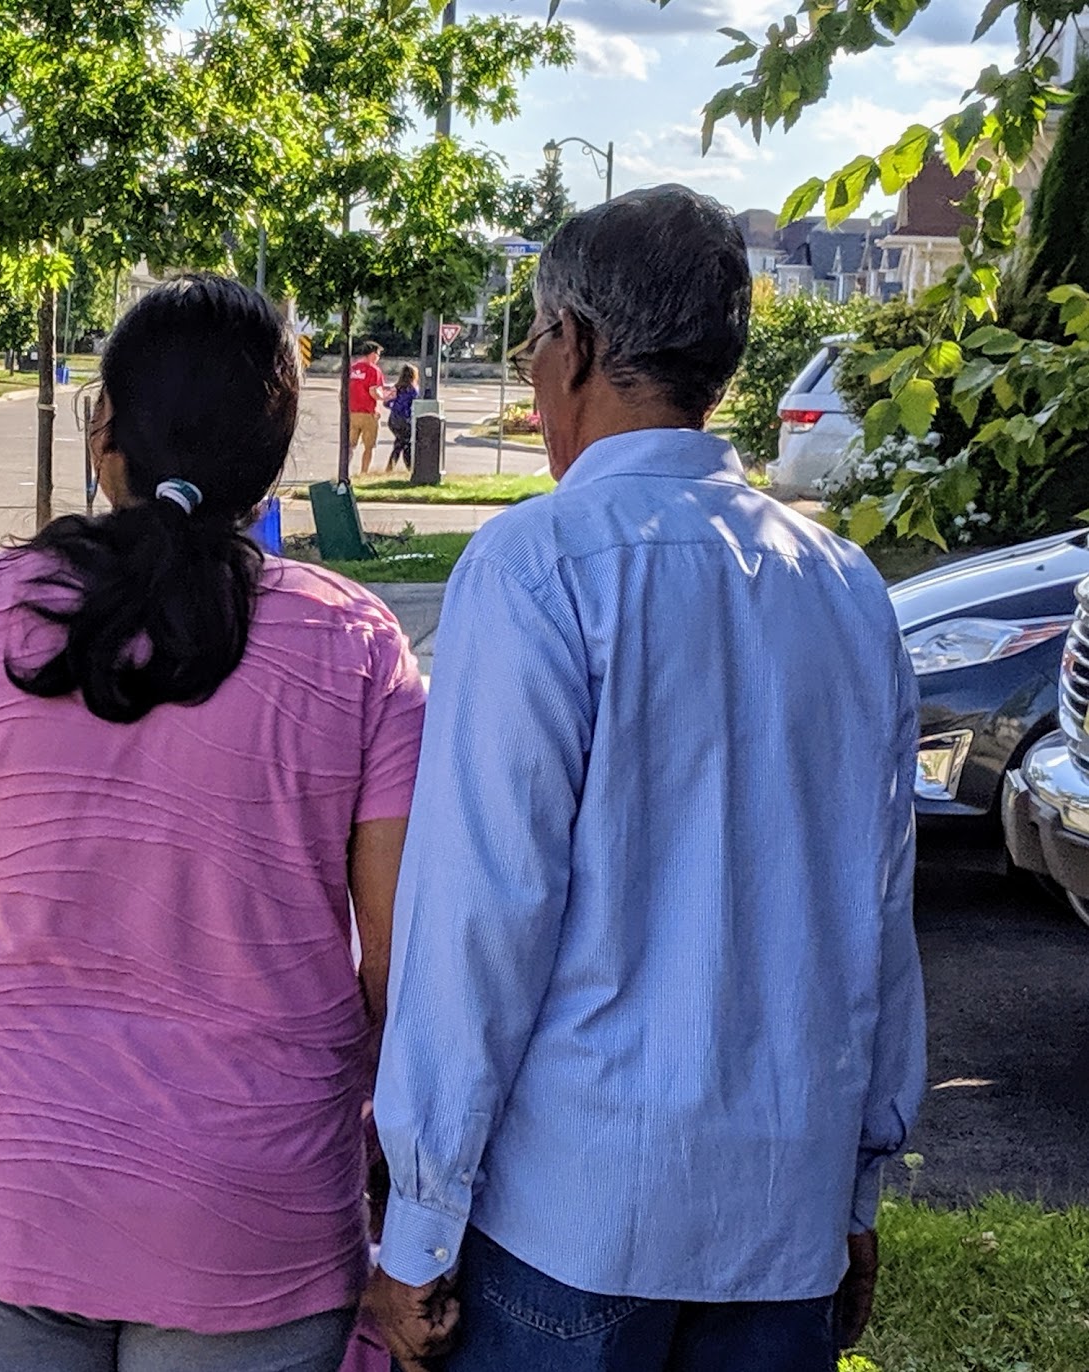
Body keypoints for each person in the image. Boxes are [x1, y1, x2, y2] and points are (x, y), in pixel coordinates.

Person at [0, 274, 428, 1372]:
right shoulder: (355, 646)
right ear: (273, 456)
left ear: (105, 431)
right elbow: (399, 963)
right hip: (250, 1203)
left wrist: (13, 953)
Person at [367, 186, 926, 1372]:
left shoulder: (535, 565)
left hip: (575, 1219)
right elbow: (881, 912)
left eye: (531, 344)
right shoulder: (843, 584)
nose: (530, 380)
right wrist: (857, 1184)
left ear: (571, 345)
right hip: (784, 1207)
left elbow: (479, 917)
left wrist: (417, 1220)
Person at [349, 340, 386, 474]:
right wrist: (384, 397)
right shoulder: (373, 370)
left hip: (352, 412)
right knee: (369, 447)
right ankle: (363, 472)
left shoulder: (352, 368)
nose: (378, 358)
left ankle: (345, 470)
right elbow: (373, 391)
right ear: (372, 354)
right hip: (368, 413)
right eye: (378, 354)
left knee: (350, 445)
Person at [385, 362, 419, 472]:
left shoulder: (396, 388)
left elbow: (387, 402)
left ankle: (391, 467)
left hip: (394, 420)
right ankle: (410, 468)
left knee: (399, 443)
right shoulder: (413, 390)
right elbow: (415, 405)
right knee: (406, 444)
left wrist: (394, 406)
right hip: (406, 421)